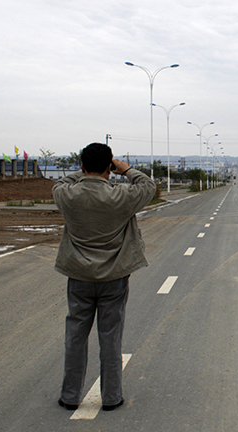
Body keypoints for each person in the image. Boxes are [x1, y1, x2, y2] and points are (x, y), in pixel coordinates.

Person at [52, 143, 156, 412]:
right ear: (110, 167)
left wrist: (86, 172)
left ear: (82, 165)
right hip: (114, 277)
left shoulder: (67, 195)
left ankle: (70, 395)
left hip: (79, 276)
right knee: (110, 337)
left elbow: (61, 182)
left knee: (75, 335)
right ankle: (111, 396)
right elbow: (148, 186)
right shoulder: (122, 195)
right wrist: (126, 169)